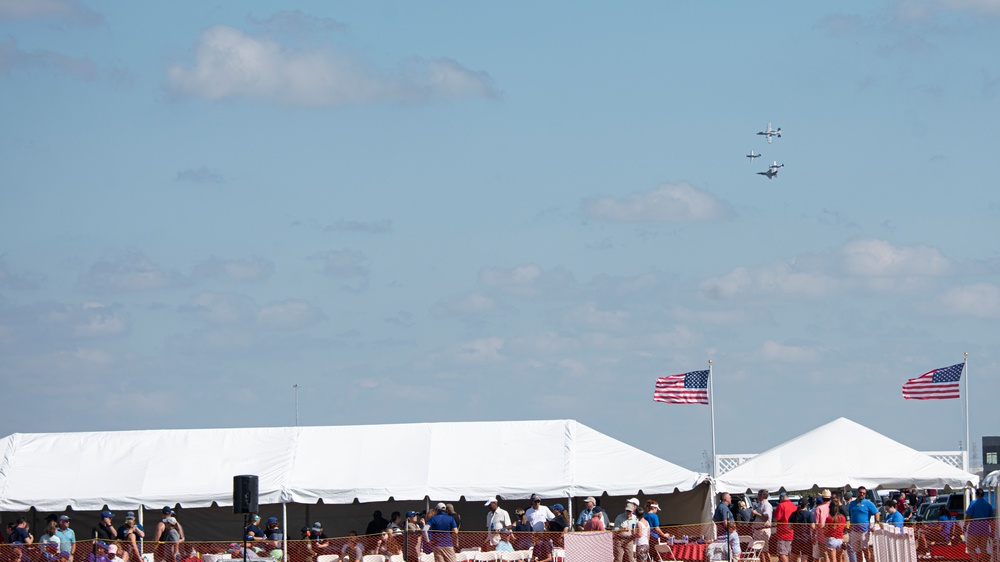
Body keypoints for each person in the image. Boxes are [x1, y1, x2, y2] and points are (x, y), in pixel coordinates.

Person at [846, 487, 878, 562]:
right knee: (857, 551)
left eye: (864, 493)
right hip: (854, 531)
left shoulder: (868, 503)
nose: (862, 494)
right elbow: (850, 515)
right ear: (857, 492)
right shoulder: (852, 504)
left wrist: (876, 524)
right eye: (860, 492)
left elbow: (876, 513)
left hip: (864, 531)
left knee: (865, 549)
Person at [965, 488, 995, 562]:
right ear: (983, 495)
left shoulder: (973, 503)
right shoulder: (988, 505)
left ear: (976, 494)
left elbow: (968, 515)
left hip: (974, 530)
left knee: (970, 548)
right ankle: (985, 559)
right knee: (983, 548)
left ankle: (975, 560)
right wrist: (992, 531)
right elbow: (992, 519)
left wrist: (965, 526)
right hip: (984, 529)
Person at [772, 492, 797, 562]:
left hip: (783, 533)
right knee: (790, 553)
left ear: (782, 498)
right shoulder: (794, 506)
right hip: (793, 533)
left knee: (782, 553)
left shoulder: (781, 505)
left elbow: (776, 518)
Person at [789, 496, 814, 562]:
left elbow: (789, 527)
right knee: (804, 558)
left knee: (793, 558)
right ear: (806, 505)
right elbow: (813, 526)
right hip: (806, 540)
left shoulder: (793, 514)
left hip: (796, 539)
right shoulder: (809, 514)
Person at [751, 490, 773, 562]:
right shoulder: (759, 504)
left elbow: (766, 518)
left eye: (758, 495)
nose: (757, 496)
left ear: (762, 495)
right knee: (760, 551)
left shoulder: (767, 505)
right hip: (757, 529)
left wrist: (757, 513)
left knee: (765, 550)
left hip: (763, 529)